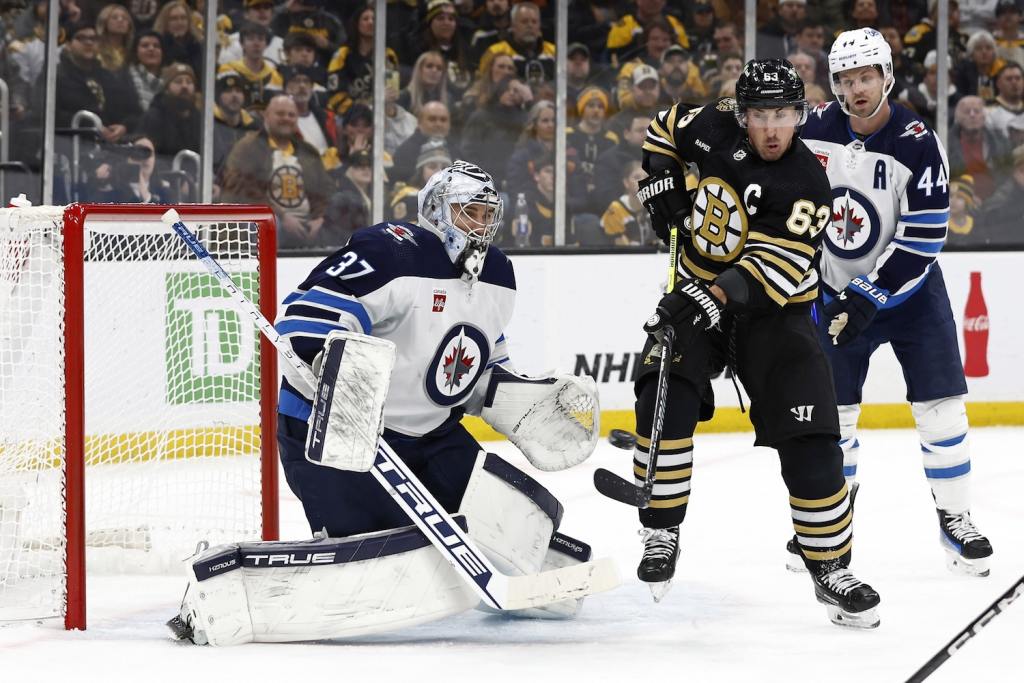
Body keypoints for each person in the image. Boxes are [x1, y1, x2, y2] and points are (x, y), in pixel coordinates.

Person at [169, 160, 600, 644]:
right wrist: (332, 368)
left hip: (431, 437)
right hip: (333, 434)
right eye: (469, 212)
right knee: (376, 549)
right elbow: (305, 323)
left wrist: (510, 394)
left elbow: (476, 362)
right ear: (437, 212)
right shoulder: (392, 250)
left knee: (512, 510)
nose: (481, 225)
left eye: (486, 214)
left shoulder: (497, 275)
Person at [631, 57, 881, 628]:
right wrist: (661, 179)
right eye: (762, 114)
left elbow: (776, 267)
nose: (773, 128)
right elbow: (663, 129)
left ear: (800, 114)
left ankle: (830, 565)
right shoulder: (713, 121)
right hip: (700, 288)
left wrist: (705, 297)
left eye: (784, 114)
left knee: (815, 439)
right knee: (661, 391)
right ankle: (661, 530)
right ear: (741, 114)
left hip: (774, 313)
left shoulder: (807, 184)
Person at [799, 28, 994, 578]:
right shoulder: (813, 130)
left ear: (886, 76)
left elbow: (926, 235)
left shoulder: (916, 140)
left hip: (912, 297)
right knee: (834, 418)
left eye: (865, 76)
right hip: (836, 293)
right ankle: (831, 521)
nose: (856, 88)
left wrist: (874, 292)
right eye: (845, 78)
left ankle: (955, 519)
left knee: (942, 410)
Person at [220, 94, 333, 250]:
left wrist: (320, 218)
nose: (286, 118)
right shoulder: (247, 147)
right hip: (268, 223)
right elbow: (241, 190)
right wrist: (281, 216)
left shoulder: (308, 151)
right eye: (280, 114)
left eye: (291, 115)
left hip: (306, 223)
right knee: (268, 224)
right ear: (266, 116)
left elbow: (325, 190)